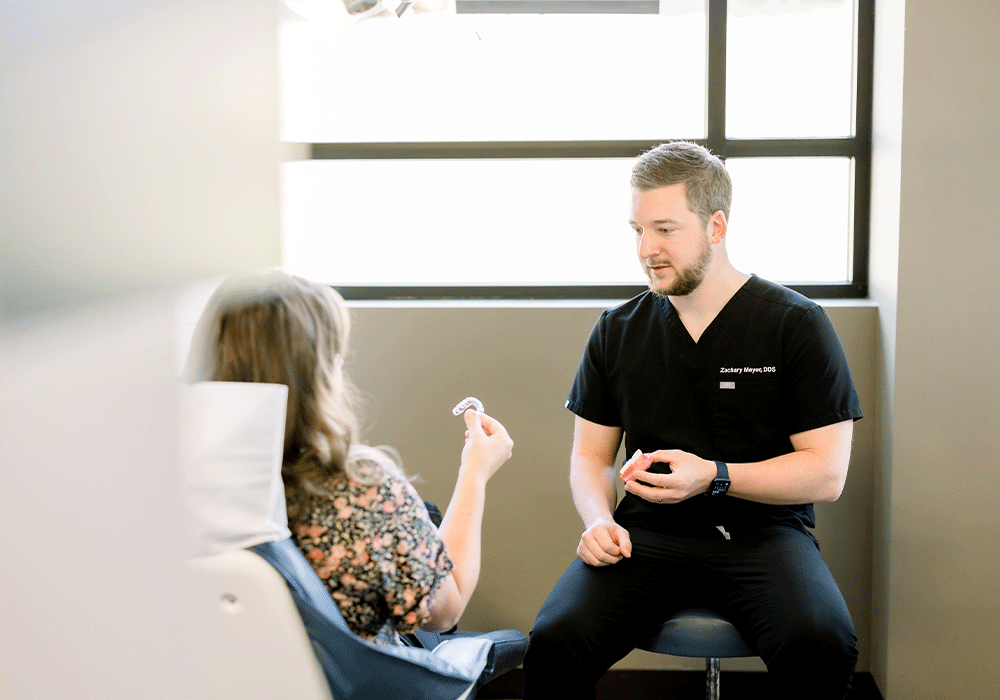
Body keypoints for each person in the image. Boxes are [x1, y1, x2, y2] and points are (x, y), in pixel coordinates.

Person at [522, 141, 862, 699]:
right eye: (637, 230)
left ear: (716, 226)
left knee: (821, 641)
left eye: (665, 229)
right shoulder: (616, 330)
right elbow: (590, 456)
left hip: (765, 534)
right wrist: (597, 521)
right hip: (648, 533)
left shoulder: (796, 324)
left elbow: (826, 474)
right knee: (556, 639)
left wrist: (714, 475)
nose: (646, 249)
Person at [186, 270, 513, 645]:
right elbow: (442, 612)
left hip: (223, 665)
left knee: (427, 511)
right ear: (319, 372)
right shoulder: (361, 490)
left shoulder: (163, 477)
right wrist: (475, 472)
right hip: (346, 678)